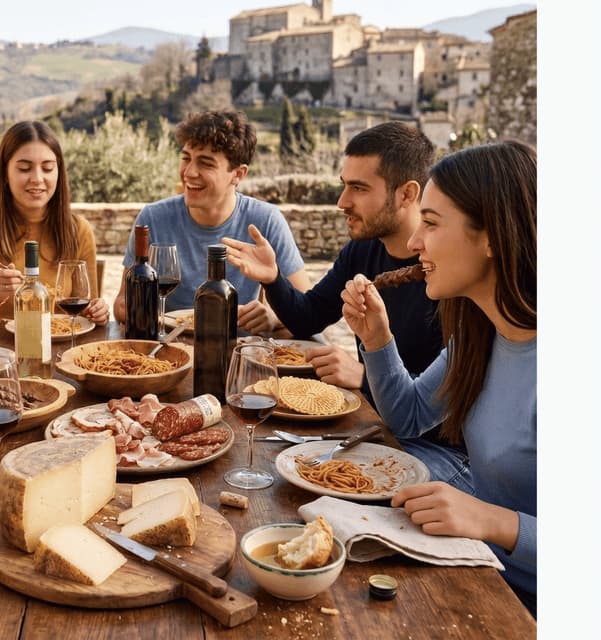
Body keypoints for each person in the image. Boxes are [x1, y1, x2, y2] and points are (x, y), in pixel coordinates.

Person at [341, 141, 536, 615]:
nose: (413, 243)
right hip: (472, 570)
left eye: (430, 223)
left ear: (491, 235)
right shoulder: (479, 335)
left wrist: (494, 520)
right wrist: (377, 340)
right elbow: (408, 419)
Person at [222, 122, 472, 493]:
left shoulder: (452, 276)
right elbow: (309, 315)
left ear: (407, 194)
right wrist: (272, 279)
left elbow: (437, 409)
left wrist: (364, 376)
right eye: (344, 184)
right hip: (377, 426)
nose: (342, 201)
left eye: (358, 188)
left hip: (435, 450)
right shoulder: (364, 251)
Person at [112, 109, 310, 333]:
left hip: (237, 353)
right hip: (169, 353)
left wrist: (274, 317)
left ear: (238, 174)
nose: (189, 172)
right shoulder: (154, 218)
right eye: (186, 158)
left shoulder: (265, 221)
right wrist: (136, 309)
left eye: (205, 163)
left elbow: (306, 307)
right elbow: (121, 304)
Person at [0, 120, 110, 327]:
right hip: (0, 352)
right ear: (5, 174)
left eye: (47, 168)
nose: (37, 179)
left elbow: (86, 311)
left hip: (61, 351)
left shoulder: (78, 230)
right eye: (24, 168)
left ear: (59, 173)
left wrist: (97, 311)